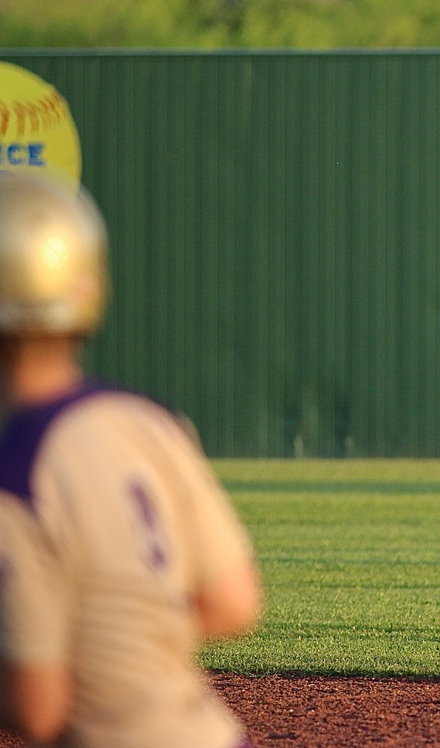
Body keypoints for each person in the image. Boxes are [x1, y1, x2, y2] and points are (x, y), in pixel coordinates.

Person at [0, 172, 263, 745]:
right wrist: (130, 647)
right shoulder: (149, 421)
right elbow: (235, 602)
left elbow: (38, 710)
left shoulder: (14, 474)